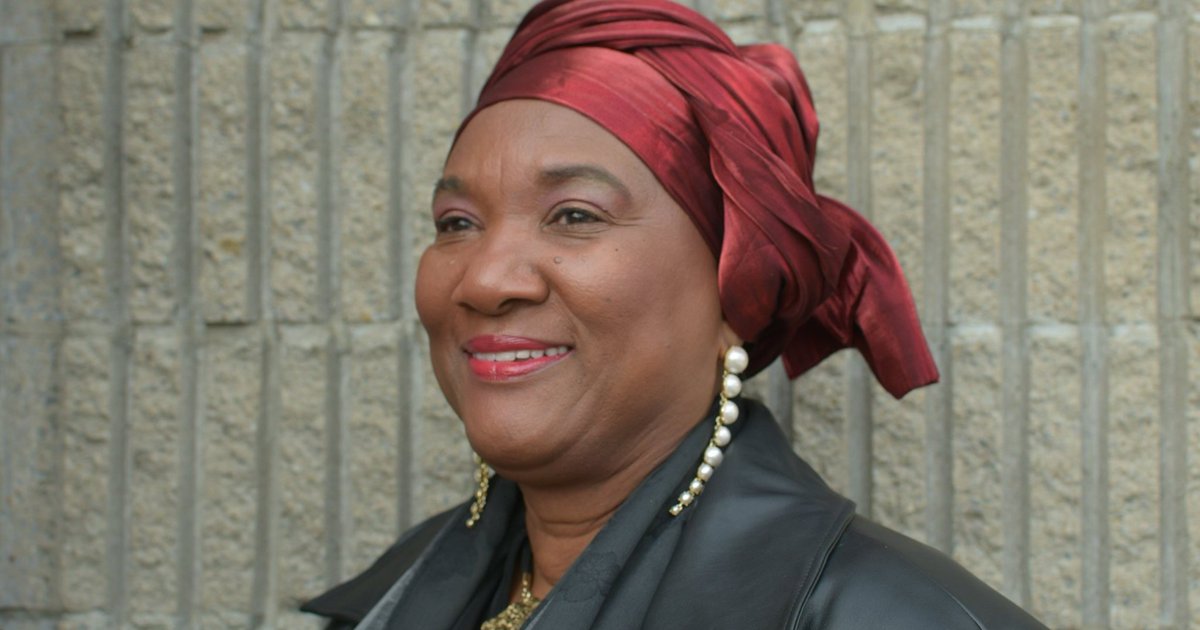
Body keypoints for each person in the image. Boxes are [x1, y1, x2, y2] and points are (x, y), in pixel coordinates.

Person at [302, 0, 1047, 627]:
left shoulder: (894, 615)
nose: (486, 279)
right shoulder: (398, 599)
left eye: (573, 214)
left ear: (736, 291)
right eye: (457, 223)